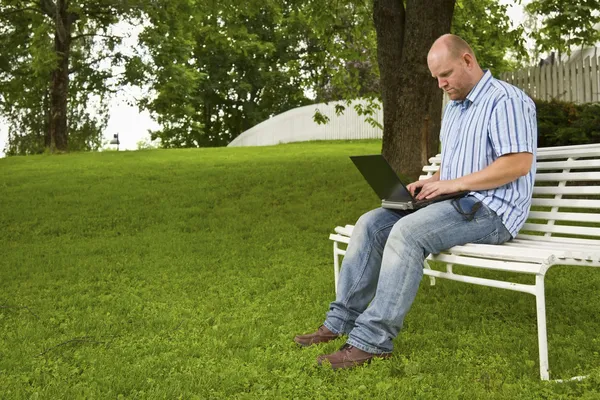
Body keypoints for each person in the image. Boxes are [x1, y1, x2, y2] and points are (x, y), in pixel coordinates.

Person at [294, 34, 537, 370]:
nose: (441, 84)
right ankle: (338, 323)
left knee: (407, 232)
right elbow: (459, 167)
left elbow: (517, 164)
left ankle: (372, 342)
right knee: (371, 223)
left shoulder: (506, 101)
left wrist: (454, 184)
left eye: (446, 74)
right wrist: (434, 181)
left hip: (493, 211)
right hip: (457, 201)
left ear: (468, 60)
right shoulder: (455, 107)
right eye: (436, 78)